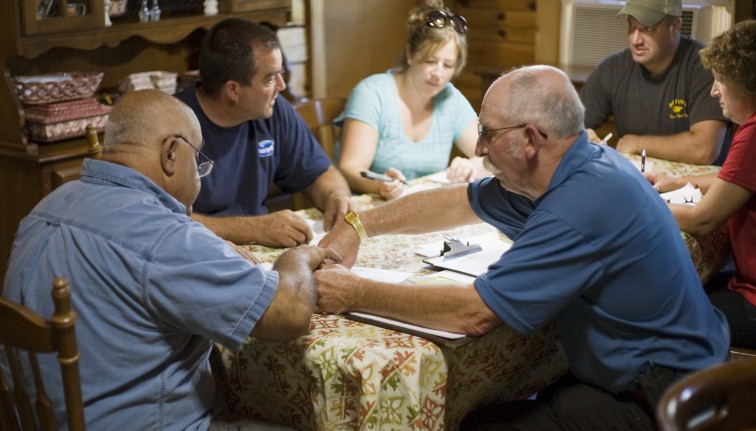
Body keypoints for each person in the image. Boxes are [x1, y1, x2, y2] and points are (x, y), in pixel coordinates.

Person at [315, 65, 729, 429]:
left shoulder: (577, 206)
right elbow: (458, 199)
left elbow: (471, 314)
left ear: (531, 139)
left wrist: (354, 291)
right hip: (683, 367)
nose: (478, 148)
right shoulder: (580, 165)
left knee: (470, 422)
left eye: (487, 134)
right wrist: (359, 226)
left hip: (666, 399)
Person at [2, 90, 340, 430]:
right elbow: (288, 314)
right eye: (198, 161)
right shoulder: (162, 235)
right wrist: (297, 257)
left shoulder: (45, 208)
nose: (199, 175)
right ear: (171, 154)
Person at [175, 18, 353, 248]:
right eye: (270, 78)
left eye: (281, 73)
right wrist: (255, 228)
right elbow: (161, 220)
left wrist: (336, 197)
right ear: (233, 90)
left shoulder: (275, 110)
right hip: (198, 257)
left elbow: (318, 173)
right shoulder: (171, 125)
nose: (282, 86)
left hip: (260, 258)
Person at [644, 19, 756, 349]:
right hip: (745, 283)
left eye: (721, 79)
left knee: (652, 316)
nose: (713, 90)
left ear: (747, 83)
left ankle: (664, 399)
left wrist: (640, 201)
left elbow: (702, 220)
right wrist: (676, 181)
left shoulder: (752, 134)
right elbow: (733, 181)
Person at [334, 0, 487, 200]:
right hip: (369, 205)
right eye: (430, 61)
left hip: (420, 208)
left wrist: (471, 166)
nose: (438, 74)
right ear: (410, 54)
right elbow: (350, 167)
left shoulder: (450, 98)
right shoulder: (372, 94)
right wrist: (380, 185)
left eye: (448, 65)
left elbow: (492, 156)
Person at [579, 0, 730, 165]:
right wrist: (584, 138)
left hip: (694, 188)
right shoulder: (612, 69)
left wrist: (636, 143)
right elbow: (568, 129)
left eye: (648, 29)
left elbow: (704, 149)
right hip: (638, 182)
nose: (636, 40)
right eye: (631, 27)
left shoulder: (703, 66)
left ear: (676, 25)